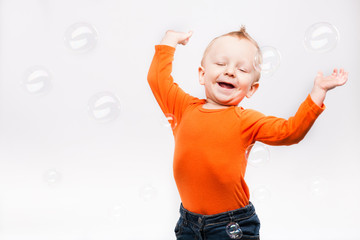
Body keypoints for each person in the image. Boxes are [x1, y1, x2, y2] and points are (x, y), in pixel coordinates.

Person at [147, 26, 348, 240]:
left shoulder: (247, 121)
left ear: (251, 88)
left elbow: (291, 132)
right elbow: (157, 79)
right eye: (221, 64)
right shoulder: (182, 108)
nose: (230, 71)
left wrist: (318, 92)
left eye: (242, 70)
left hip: (232, 224)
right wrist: (170, 40)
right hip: (188, 224)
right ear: (202, 74)